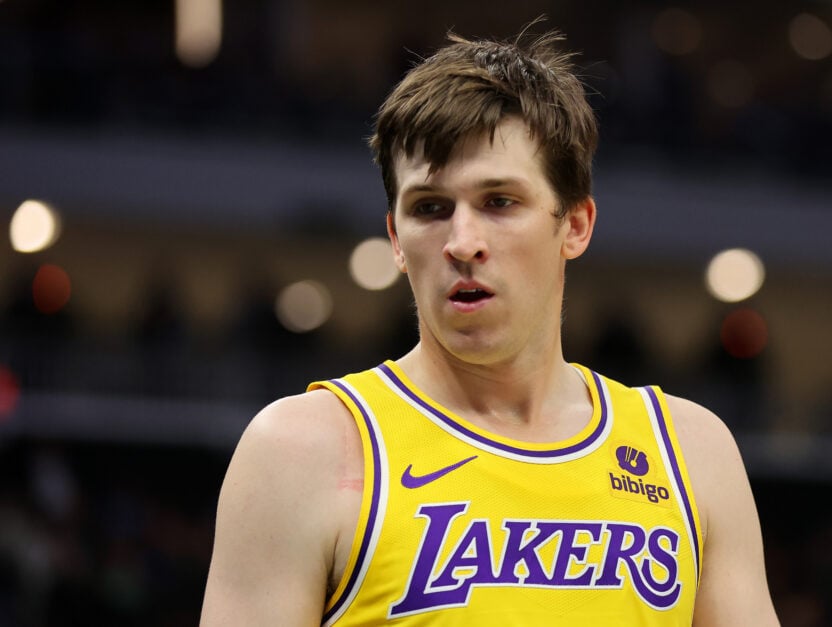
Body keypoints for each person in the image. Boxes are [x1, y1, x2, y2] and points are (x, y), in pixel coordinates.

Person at [200, 23, 779, 626]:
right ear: (396, 239)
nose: (462, 242)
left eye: (499, 201)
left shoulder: (690, 453)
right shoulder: (302, 451)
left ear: (575, 224)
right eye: (430, 208)